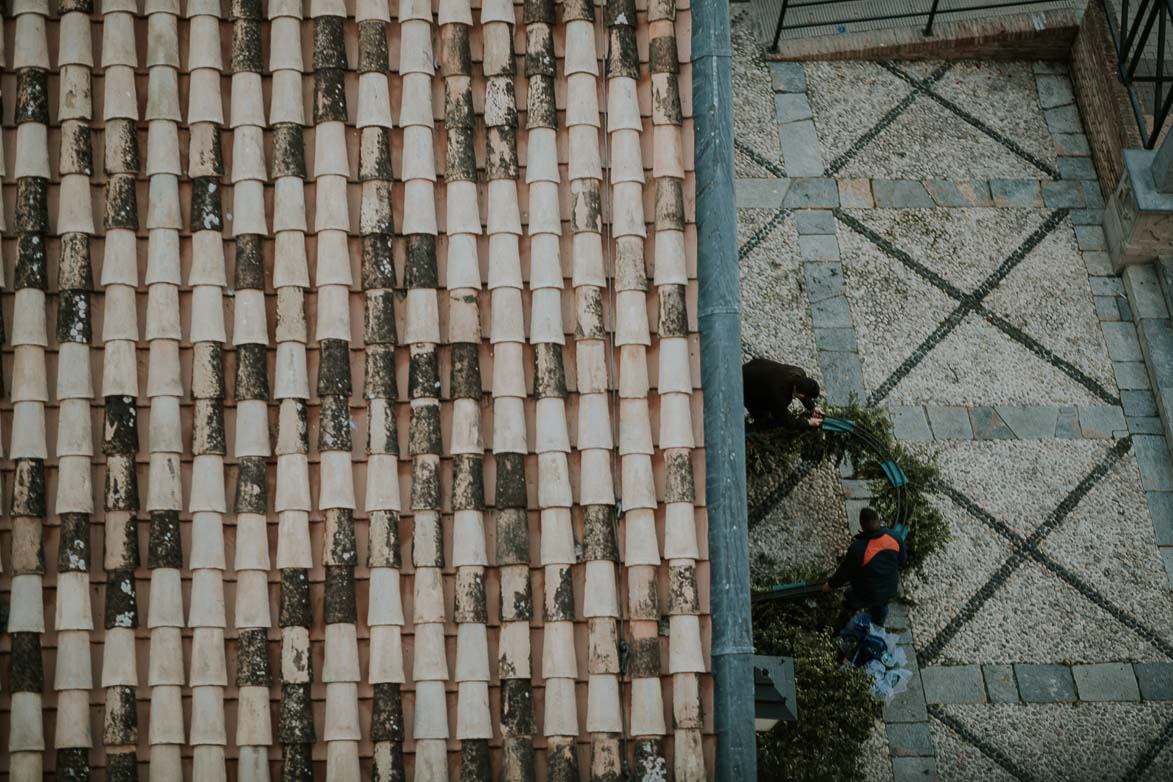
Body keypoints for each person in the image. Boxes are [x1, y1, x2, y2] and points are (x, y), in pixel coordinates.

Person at [822, 507, 906, 628]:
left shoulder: (858, 549)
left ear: (862, 525)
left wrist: (830, 585)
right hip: (889, 589)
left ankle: (840, 628)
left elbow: (843, 574)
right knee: (881, 607)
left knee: (850, 599)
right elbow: (902, 560)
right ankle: (877, 627)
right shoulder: (895, 537)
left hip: (866, 592)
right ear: (879, 520)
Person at [742, 358, 822, 432]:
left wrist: (812, 408)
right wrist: (809, 422)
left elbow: (802, 392)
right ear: (801, 394)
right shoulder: (779, 396)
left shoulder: (799, 373)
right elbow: (787, 421)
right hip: (744, 384)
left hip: (754, 366)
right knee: (765, 419)